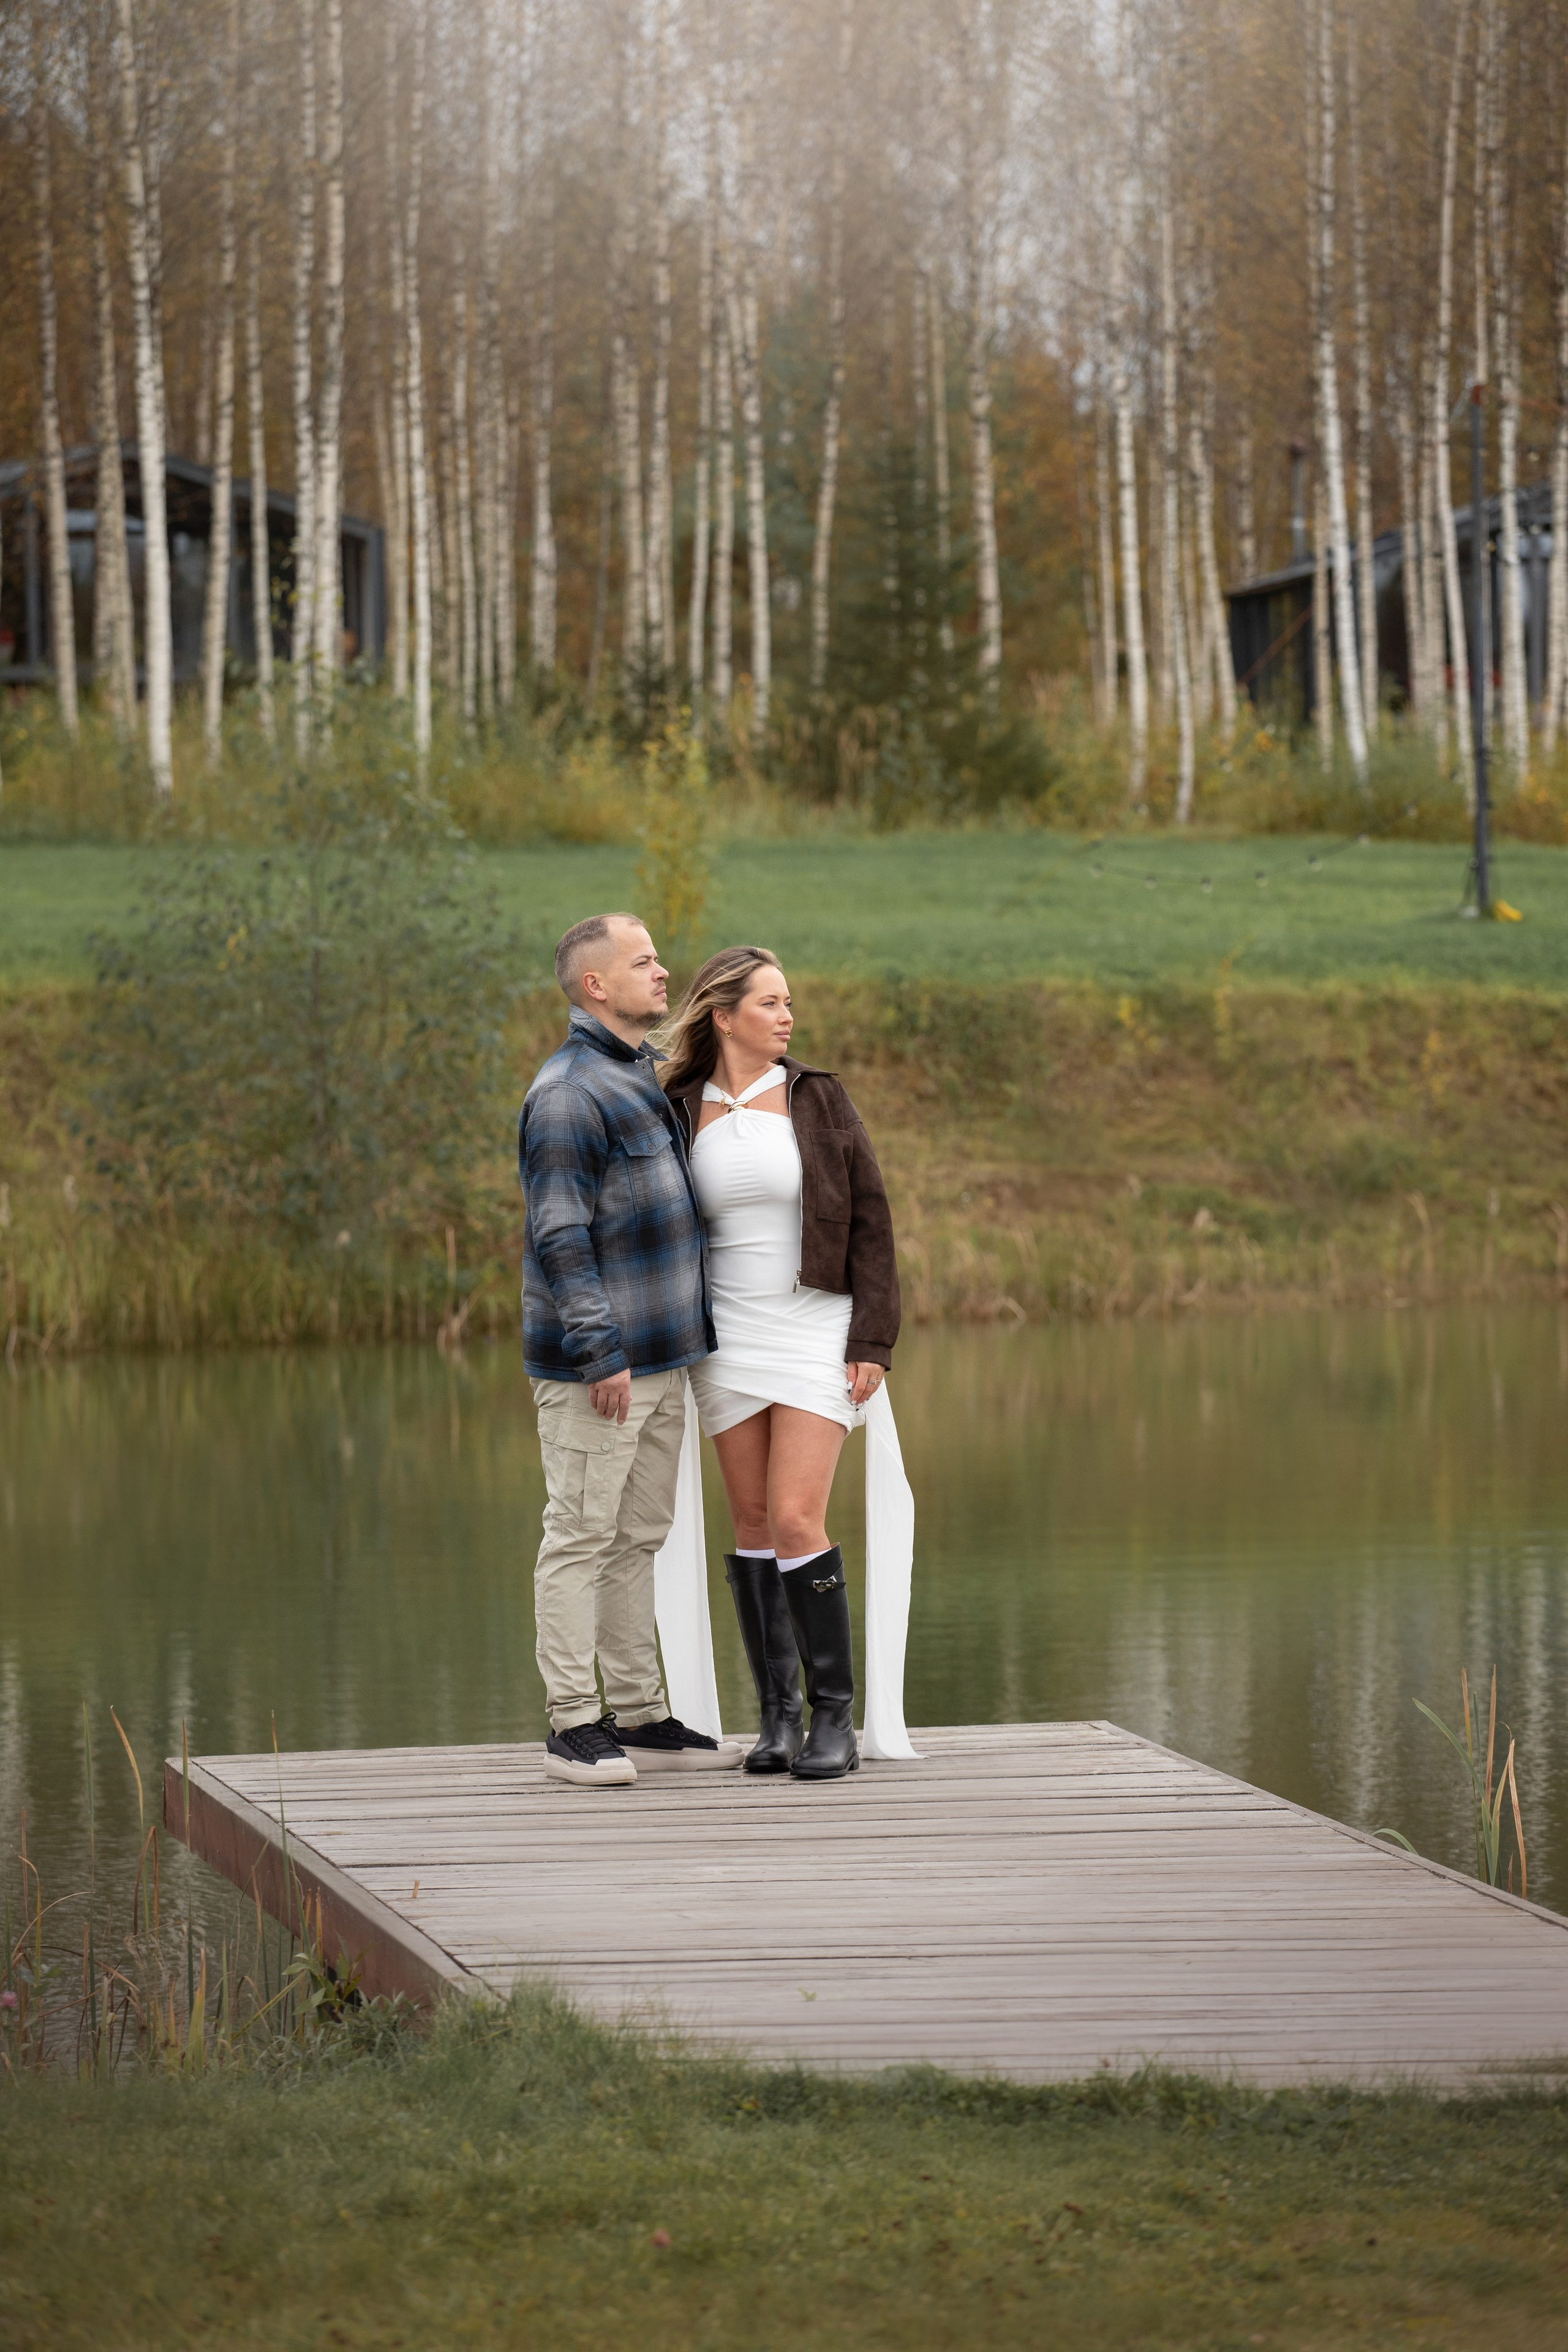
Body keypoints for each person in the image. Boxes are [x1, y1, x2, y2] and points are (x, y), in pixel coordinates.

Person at [661, 946, 903, 1782]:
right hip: (724, 1336)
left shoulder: (818, 1097)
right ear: (724, 1017)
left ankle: (834, 1718)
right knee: (754, 1526)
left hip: (811, 1328)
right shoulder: (675, 1106)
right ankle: (777, 1716)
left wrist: (871, 1342)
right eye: (769, 1003)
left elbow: (870, 1217)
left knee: (798, 1518)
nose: (787, 1015)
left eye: (789, 1002)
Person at [519, 913, 743, 1787]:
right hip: (602, 1367)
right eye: (643, 962)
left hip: (663, 1357)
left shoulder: (639, 1074)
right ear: (594, 987)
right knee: (578, 1535)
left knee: (638, 1535)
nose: (663, 973)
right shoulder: (570, 1092)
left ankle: (641, 1710)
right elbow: (559, 1233)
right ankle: (573, 1723)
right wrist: (600, 1349)